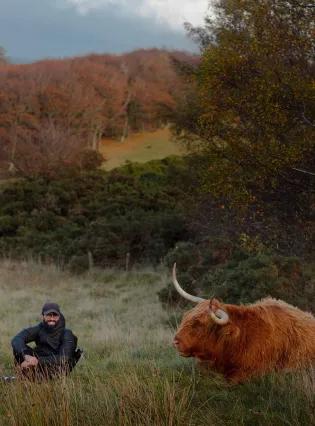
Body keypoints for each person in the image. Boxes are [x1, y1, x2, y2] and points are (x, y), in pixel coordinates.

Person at [11, 302, 81, 380]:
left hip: (56, 369)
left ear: (59, 316)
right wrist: (26, 356)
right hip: (38, 363)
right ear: (43, 316)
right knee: (18, 348)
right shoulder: (40, 328)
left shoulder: (67, 333)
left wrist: (37, 361)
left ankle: (26, 378)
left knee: (60, 362)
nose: (52, 318)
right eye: (48, 315)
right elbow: (17, 339)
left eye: (55, 315)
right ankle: (24, 378)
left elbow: (64, 358)